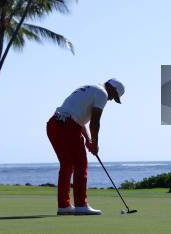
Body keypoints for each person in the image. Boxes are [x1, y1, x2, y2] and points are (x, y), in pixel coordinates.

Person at [46, 78, 125, 215]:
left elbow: (79, 118)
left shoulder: (89, 88)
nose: (112, 99)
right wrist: (95, 144)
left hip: (54, 124)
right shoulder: (103, 93)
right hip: (67, 126)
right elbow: (95, 122)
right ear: (111, 88)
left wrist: (88, 139)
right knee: (81, 165)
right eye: (114, 95)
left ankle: (64, 206)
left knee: (67, 165)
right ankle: (81, 205)